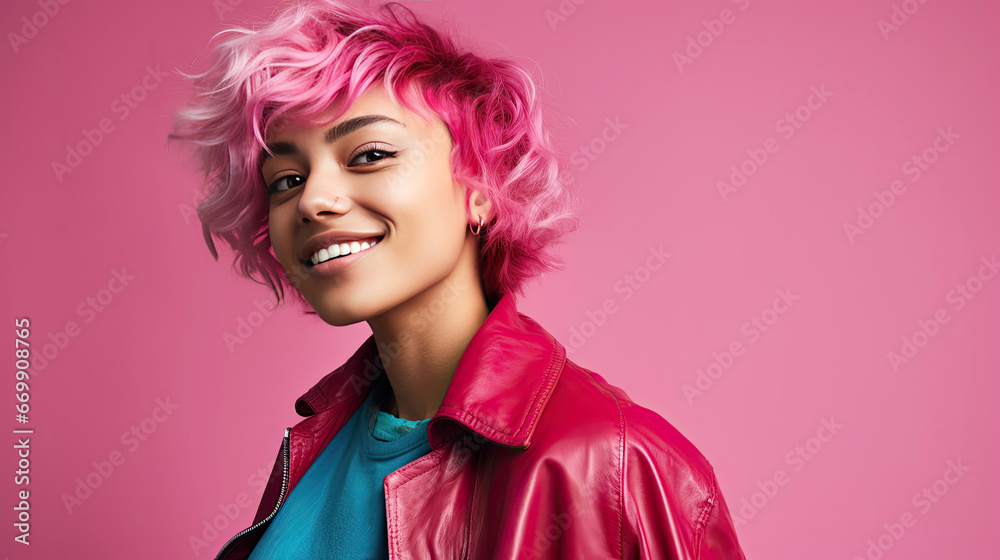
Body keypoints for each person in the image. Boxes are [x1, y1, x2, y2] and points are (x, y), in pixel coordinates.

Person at [169, 1, 746, 558]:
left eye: (368, 155)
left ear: (480, 190)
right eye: (286, 179)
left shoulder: (614, 463)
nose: (313, 200)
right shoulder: (318, 440)